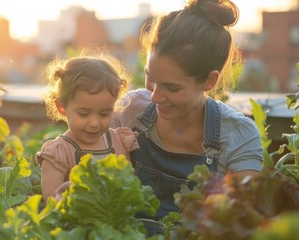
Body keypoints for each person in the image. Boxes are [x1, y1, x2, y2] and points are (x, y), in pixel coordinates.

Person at [111, 0, 263, 221]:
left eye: (172, 87)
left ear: (209, 81)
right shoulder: (129, 111)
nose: (154, 96)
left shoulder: (238, 136)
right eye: (151, 78)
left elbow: (239, 220)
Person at [36, 51, 140, 202]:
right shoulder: (59, 153)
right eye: (84, 114)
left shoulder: (119, 142)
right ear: (62, 107)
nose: (94, 123)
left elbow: (130, 186)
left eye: (104, 113)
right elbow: (51, 203)